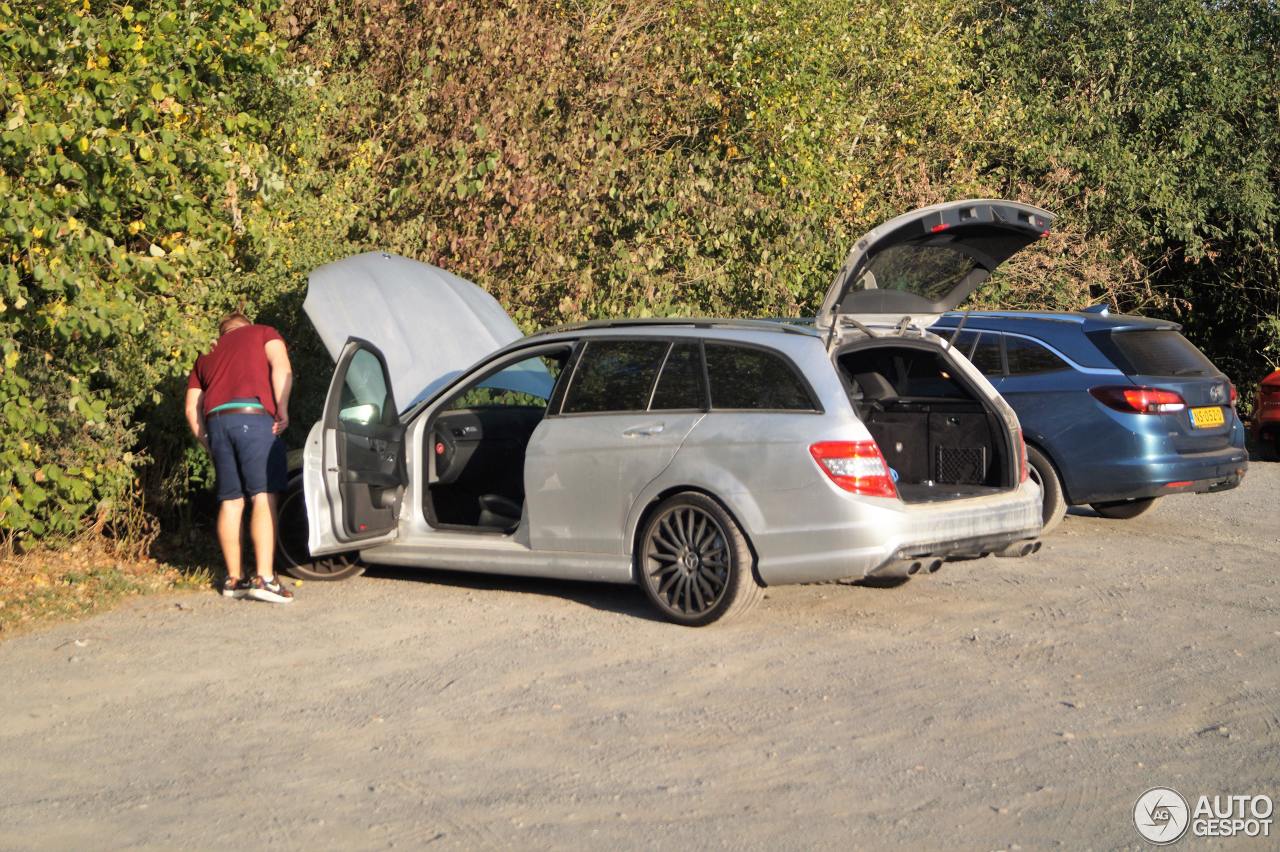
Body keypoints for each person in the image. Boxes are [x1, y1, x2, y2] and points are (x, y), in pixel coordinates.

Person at [184, 310, 295, 604]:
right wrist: (282, 409)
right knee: (262, 495)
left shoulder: (205, 354)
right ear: (245, 325)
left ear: (223, 331)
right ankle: (265, 578)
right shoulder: (262, 331)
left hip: (217, 423)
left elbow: (191, 407)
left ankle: (233, 579)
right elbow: (282, 367)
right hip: (253, 416)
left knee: (231, 501)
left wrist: (205, 439)